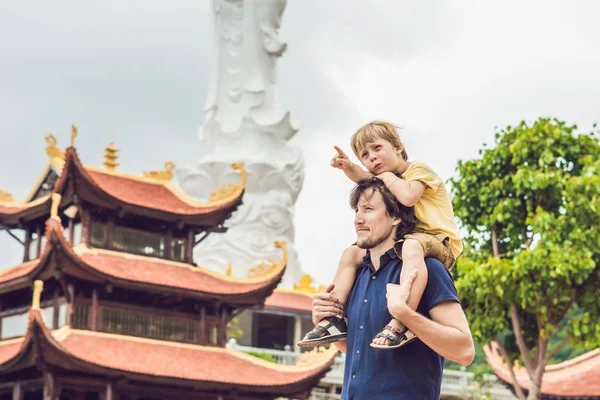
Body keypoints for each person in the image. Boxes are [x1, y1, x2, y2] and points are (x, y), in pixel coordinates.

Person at [298, 121, 462, 349]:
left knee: (412, 246)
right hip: (410, 240)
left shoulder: (417, 171)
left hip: (438, 241)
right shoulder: (387, 179)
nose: (372, 157)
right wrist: (348, 167)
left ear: (397, 146)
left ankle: (400, 321)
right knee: (351, 253)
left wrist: (384, 176)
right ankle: (334, 318)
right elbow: (364, 177)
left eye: (377, 148)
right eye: (364, 154)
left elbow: (408, 197)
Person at [312, 179, 474, 399]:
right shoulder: (357, 276)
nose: (358, 219)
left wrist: (405, 314)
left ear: (396, 216)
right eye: (357, 211)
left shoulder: (428, 270)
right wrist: (324, 320)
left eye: (368, 209)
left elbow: (464, 351)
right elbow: (361, 352)